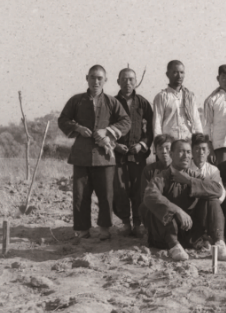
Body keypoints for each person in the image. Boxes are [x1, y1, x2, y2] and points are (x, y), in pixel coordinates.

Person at [58, 65, 131, 241]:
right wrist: (77, 128)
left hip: (104, 157)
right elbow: (63, 120)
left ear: (105, 80)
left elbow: (126, 121)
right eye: (92, 77)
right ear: (87, 78)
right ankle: (83, 230)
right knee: (80, 195)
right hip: (81, 156)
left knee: (106, 195)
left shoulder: (112, 102)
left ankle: (105, 228)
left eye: (99, 78)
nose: (96, 81)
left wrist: (108, 131)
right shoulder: (76, 100)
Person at [140, 139, 226, 261]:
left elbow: (218, 190)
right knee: (151, 205)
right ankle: (174, 246)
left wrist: (188, 180)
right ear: (171, 154)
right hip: (166, 235)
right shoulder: (162, 177)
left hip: (191, 234)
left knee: (212, 200)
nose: (186, 156)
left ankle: (219, 244)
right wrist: (177, 210)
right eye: (181, 152)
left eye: (188, 152)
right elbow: (150, 195)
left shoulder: (194, 176)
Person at [113, 68, 154, 238]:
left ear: (136, 82)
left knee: (139, 189)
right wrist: (114, 145)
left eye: (131, 79)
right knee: (120, 188)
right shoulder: (111, 103)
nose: (127, 83)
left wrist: (142, 145)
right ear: (118, 82)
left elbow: (151, 130)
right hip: (118, 155)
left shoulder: (143, 103)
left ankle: (138, 223)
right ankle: (125, 222)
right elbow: (104, 129)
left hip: (138, 155)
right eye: (124, 79)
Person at [152, 60, 203, 140]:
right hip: (169, 143)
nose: (179, 76)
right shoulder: (162, 97)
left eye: (182, 72)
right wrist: (159, 142)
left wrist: (200, 139)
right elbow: (157, 122)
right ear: (168, 74)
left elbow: (196, 120)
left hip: (187, 141)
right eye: (175, 72)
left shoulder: (190, 96)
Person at [190, 133, 226, 203]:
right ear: (192, 151)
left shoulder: (213, 170)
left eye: (203, 149)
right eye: (197, 149)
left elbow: (220, 191)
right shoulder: (186, 167)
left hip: (207, 204)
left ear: (208, 152)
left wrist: (215, 203)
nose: (201, 152)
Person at [140, 134, 174, 201]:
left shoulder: (180, 169)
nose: (164, 152)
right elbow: (145, 195)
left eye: (167, 148)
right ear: (156, 151)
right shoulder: (149, 170)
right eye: (160, 148)